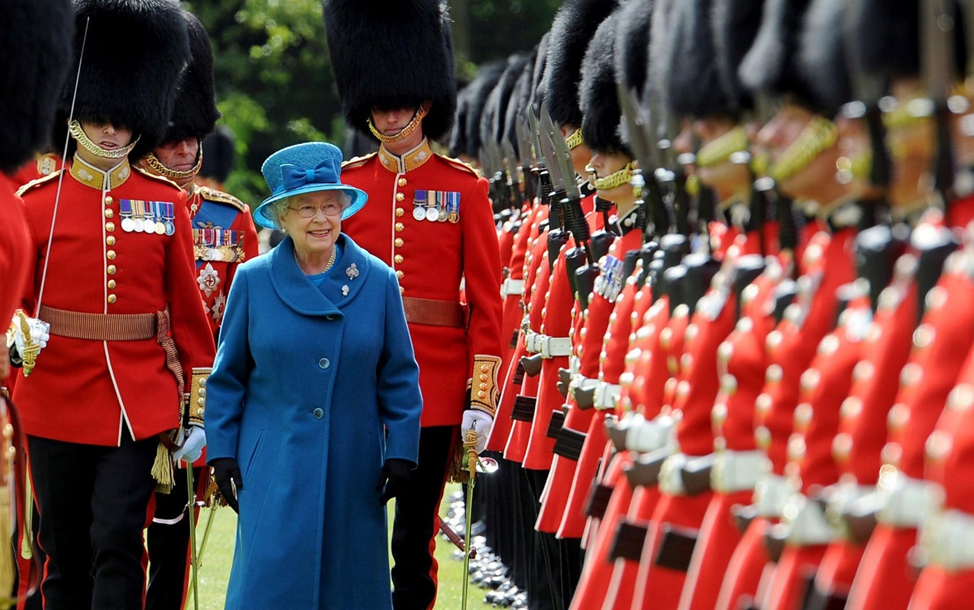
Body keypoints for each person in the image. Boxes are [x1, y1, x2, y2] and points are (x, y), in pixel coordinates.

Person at [8, 1, 216, 608]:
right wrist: (18, 334)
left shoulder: (164, 202)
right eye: (100, 116)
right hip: (51, 395)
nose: (111, 131)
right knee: (63, 549)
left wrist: (197, 409)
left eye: (123, 120)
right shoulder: (33, 202)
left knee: (119, 536)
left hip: (137, 399)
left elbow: (188, 317)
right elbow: (12, 303)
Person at [323, 1, 504, 607]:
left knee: (413, 538)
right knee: (351, 525)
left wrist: (480, 397)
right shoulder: (345, 188)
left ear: (425, 102)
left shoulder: (464, 187)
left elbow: (485, 300)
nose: (392, 113)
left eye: (402, 102)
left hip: (436, 384)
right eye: (381, 103)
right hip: (354, 379)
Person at [205, 141, 423, 609]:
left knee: (349, 589)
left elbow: (401, 377)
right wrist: (221, 452)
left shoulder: (378, 280)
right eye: (306, 207)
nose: (321, 218)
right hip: (272, 466)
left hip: (354, 464)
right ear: (281, 217)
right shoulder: (253, 280)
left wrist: (402, 450)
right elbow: (228, 379)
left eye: (330, 205)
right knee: (270, 586)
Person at [138, 10, 259, 610]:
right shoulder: (128, 208)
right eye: (171, 136)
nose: (186, 148)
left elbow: (242, 323)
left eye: (192, 136)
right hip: (132, 390)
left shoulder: (228, 218)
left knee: (174, 549)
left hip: (196, 401)